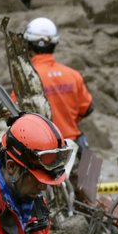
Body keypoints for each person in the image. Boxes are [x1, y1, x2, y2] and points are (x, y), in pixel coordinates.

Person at [23, 18, 94, 149]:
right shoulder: (73, 74)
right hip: (73, 145)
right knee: (88, 169)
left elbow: (16, 114)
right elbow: (87, 108)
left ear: (28, 45)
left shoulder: (26, 77)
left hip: (42, 147)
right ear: (54, 43)